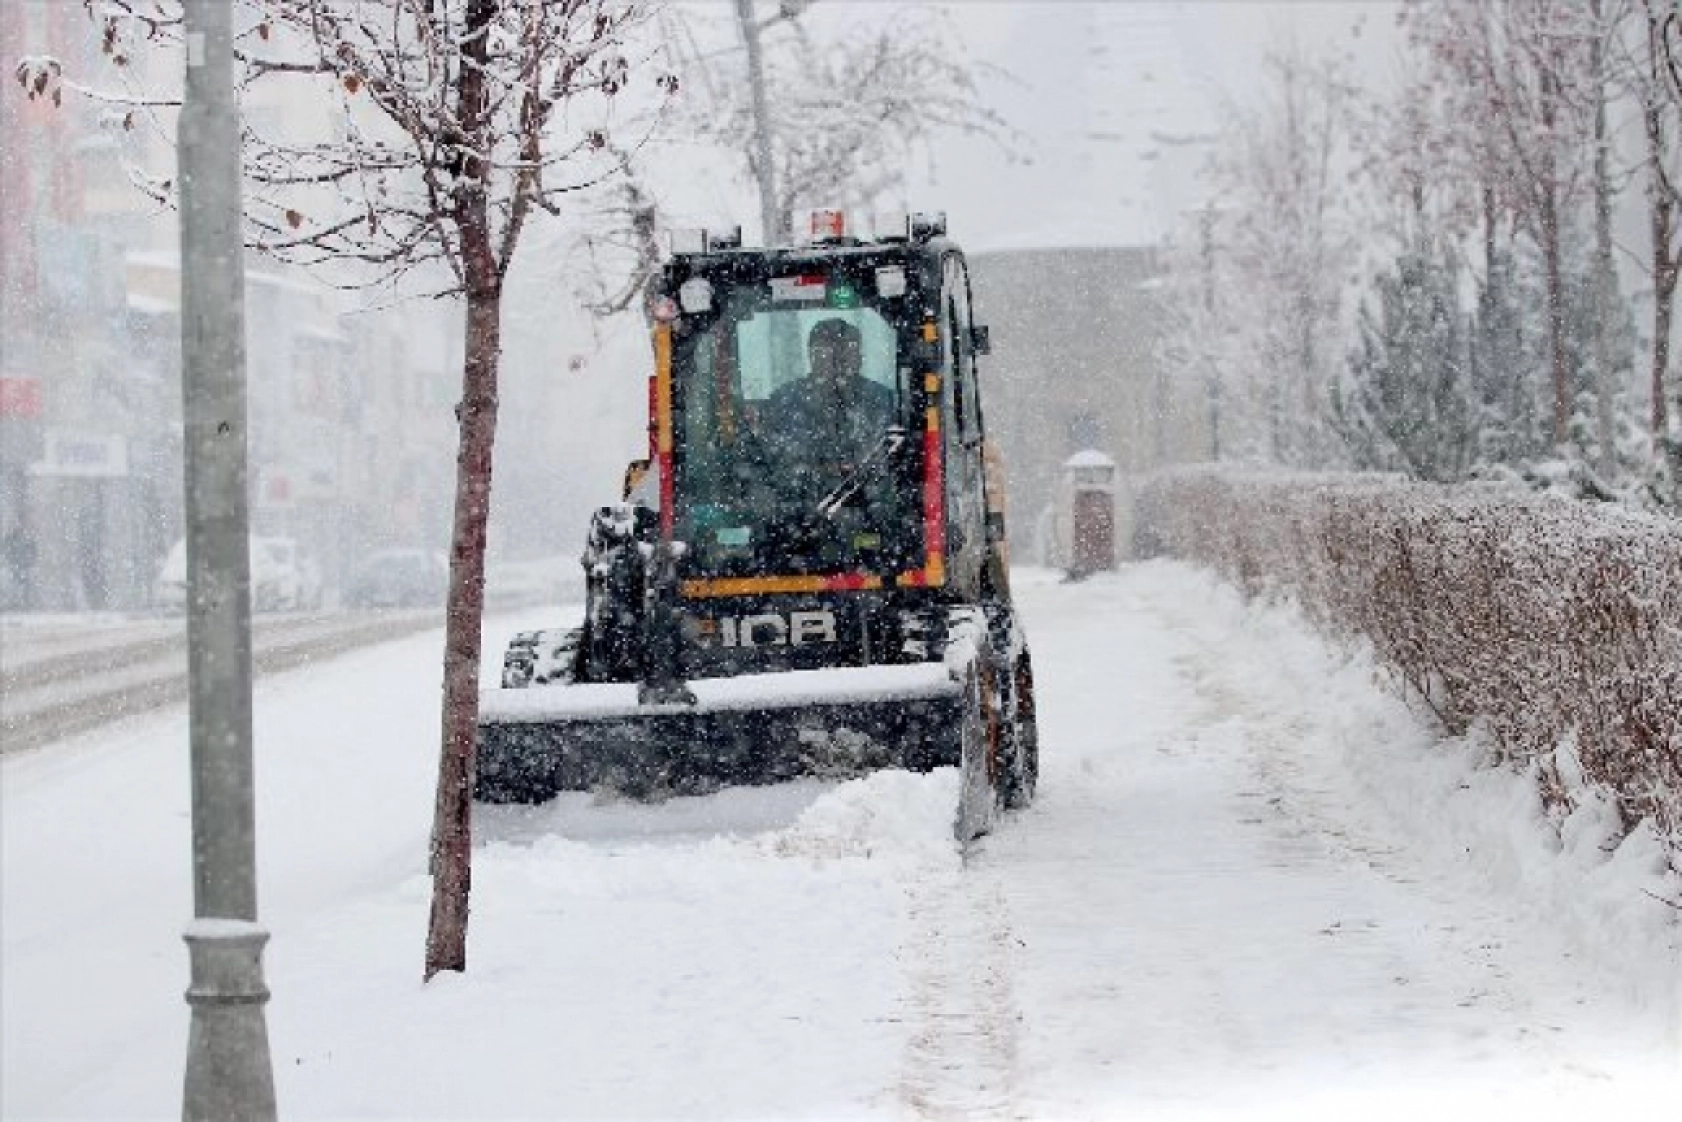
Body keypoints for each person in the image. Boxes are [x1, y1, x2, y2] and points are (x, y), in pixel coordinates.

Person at [761, 318, 896, 459]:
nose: (836, 360)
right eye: (826, 352)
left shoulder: (882, 399)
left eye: (847, 351)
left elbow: (891, 451)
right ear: (812, 357)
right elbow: (774, 455)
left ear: (860, 357)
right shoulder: (783, 402)